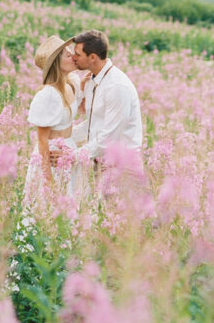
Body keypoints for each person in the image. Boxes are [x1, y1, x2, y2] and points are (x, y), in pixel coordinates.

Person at [24, 34, 82, 202]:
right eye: (67, 54)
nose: (73, 56)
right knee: (50, 207)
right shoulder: (49, 94)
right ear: (57, 63)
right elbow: (42, 140)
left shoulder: (71, 83)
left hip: (67, 151)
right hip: (52, 158)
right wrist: (47, 180)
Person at [71, 29, 142, 162]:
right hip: (102, 162)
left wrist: (73, 157)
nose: (73, 58)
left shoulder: (116, 86)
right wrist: (62, 138)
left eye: (78, 54)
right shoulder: (91, 81)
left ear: (92, 57)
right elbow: (94, 124)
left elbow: (109, 137)